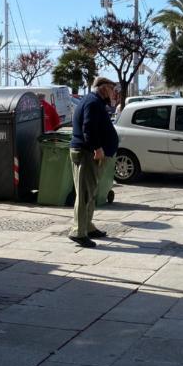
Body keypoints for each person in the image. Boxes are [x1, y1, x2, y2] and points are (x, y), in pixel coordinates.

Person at [69, 76, 119, 247]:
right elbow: (88, 128)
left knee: (89, 192)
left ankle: (87, 227)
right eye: (112, 89)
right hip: (86, 153)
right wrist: (97, 148)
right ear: (104, 88)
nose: (114, 93)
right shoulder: (92, 102)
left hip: (89, 153)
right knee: (84, 193)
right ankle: (78, 231)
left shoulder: (94, 101)